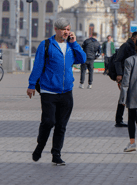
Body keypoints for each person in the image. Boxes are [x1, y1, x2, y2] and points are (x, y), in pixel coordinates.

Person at [27, 18, 86, 166]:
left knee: (61, 125)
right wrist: (31, 84)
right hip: (49, 91)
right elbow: (38, 65)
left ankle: (56, 154)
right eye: (63, 29)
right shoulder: (46, 45)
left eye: (68, 29)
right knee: (48, 122)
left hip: (66, 92)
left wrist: (75, 43)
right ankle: (40, 147)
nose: (66, 32)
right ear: (56, 29)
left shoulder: (71, 46)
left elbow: (82, 59)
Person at [114, 32, 137, 128]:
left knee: (125, 97)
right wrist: (119, 74)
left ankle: (120, 119)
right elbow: (118, 60)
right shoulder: (126, 46)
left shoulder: (136, 47)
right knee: (126, 97)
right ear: (133, 38)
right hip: (124, 76)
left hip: (133, 76)